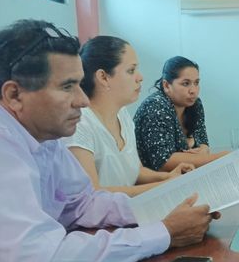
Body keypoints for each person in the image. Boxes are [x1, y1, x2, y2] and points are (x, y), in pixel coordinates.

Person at [0, 20, 217, 262]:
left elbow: (82, 203)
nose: (83, 100)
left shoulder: (45, 136)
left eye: (80, 84)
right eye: (67, 87)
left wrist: (167, 205)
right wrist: (164, 233)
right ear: (14, 95)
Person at [64, 36, 193, 196]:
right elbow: (93, 193)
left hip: (129, 208)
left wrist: (168, 177)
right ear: (103, 77)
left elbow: (135, 171)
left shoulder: (122, 114)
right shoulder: (80, 124)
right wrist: (165, 185)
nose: (140, 77)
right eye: (131, 70)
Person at [134, 56, 227, 171]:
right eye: (186, 83)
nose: (193, 90)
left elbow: (203, 141)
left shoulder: (195, 104)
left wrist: (203, 150)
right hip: (154, 179)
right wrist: (217, 158)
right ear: (166, 85)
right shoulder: (155, 106)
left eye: (196, 83)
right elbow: (163, 161)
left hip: (185, 175)